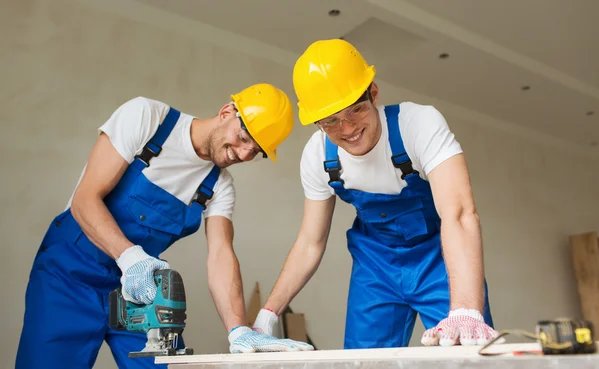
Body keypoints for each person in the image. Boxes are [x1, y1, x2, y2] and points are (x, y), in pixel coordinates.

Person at [16, 83, 312, 369]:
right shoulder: (148, 118)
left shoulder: (219, 186)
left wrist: (238, 330)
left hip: (138, 293)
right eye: (244, 138)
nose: (244, 154)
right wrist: (130, 258)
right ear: (226, 112)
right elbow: (85, 199)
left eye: (256, 151)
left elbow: (221, 255)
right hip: (69, 276)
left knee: (164, 366)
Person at [251, 39, 501, 349]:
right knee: (362, 362)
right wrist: (267, 316)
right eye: (330, 121)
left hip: (439, 260)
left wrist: (465, 309)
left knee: (466, 349)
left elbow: (459, 214)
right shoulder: (318, 157)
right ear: (317, 122)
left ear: (374, 93)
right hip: (375, 267)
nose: (347, 129)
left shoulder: (417, 125)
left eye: (355, 110)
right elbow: (310, 242)